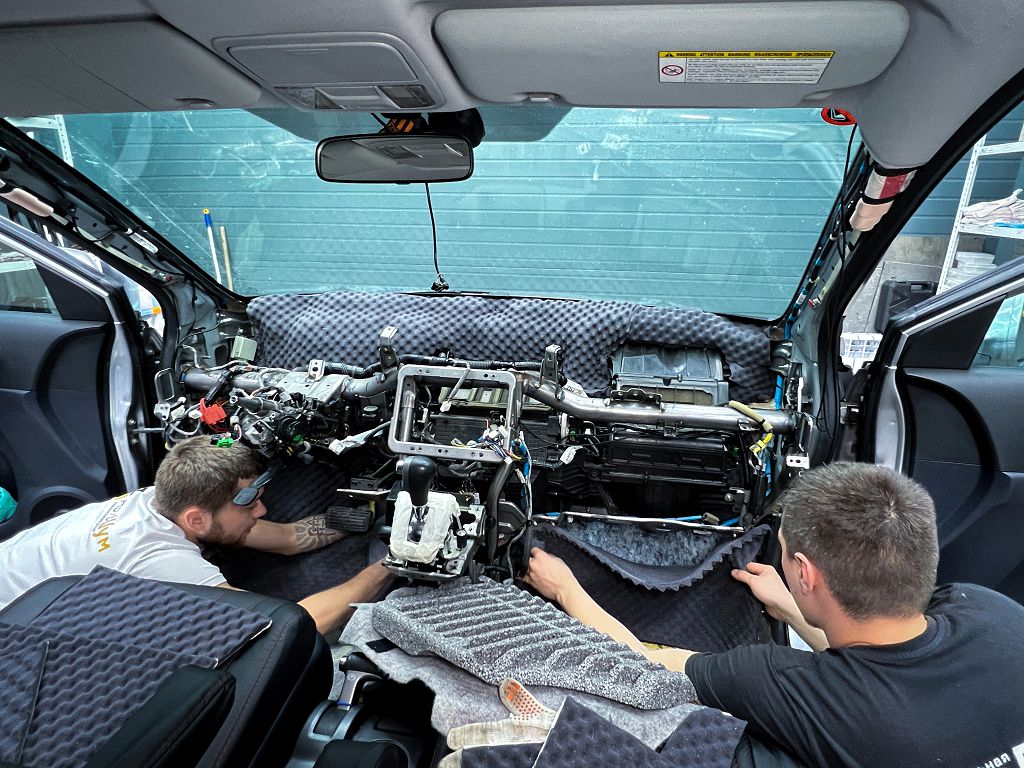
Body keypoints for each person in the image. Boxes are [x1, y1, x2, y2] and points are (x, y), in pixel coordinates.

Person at [524, 462, 1024, 767]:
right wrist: (790, 607)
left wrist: (566, 588)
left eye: (783, 550)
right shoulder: (990, 609)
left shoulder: (780, 682)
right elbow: (880, 658)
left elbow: (642, 663)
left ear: (804, 572)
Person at [0, 436, 391, 634]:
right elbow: (293, 625)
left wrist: (369, 514)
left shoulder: (164, 499)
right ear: (197, 520)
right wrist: (389, 565)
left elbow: (288, 538)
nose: (261, 511)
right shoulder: (160, 559)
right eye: (248, 504)